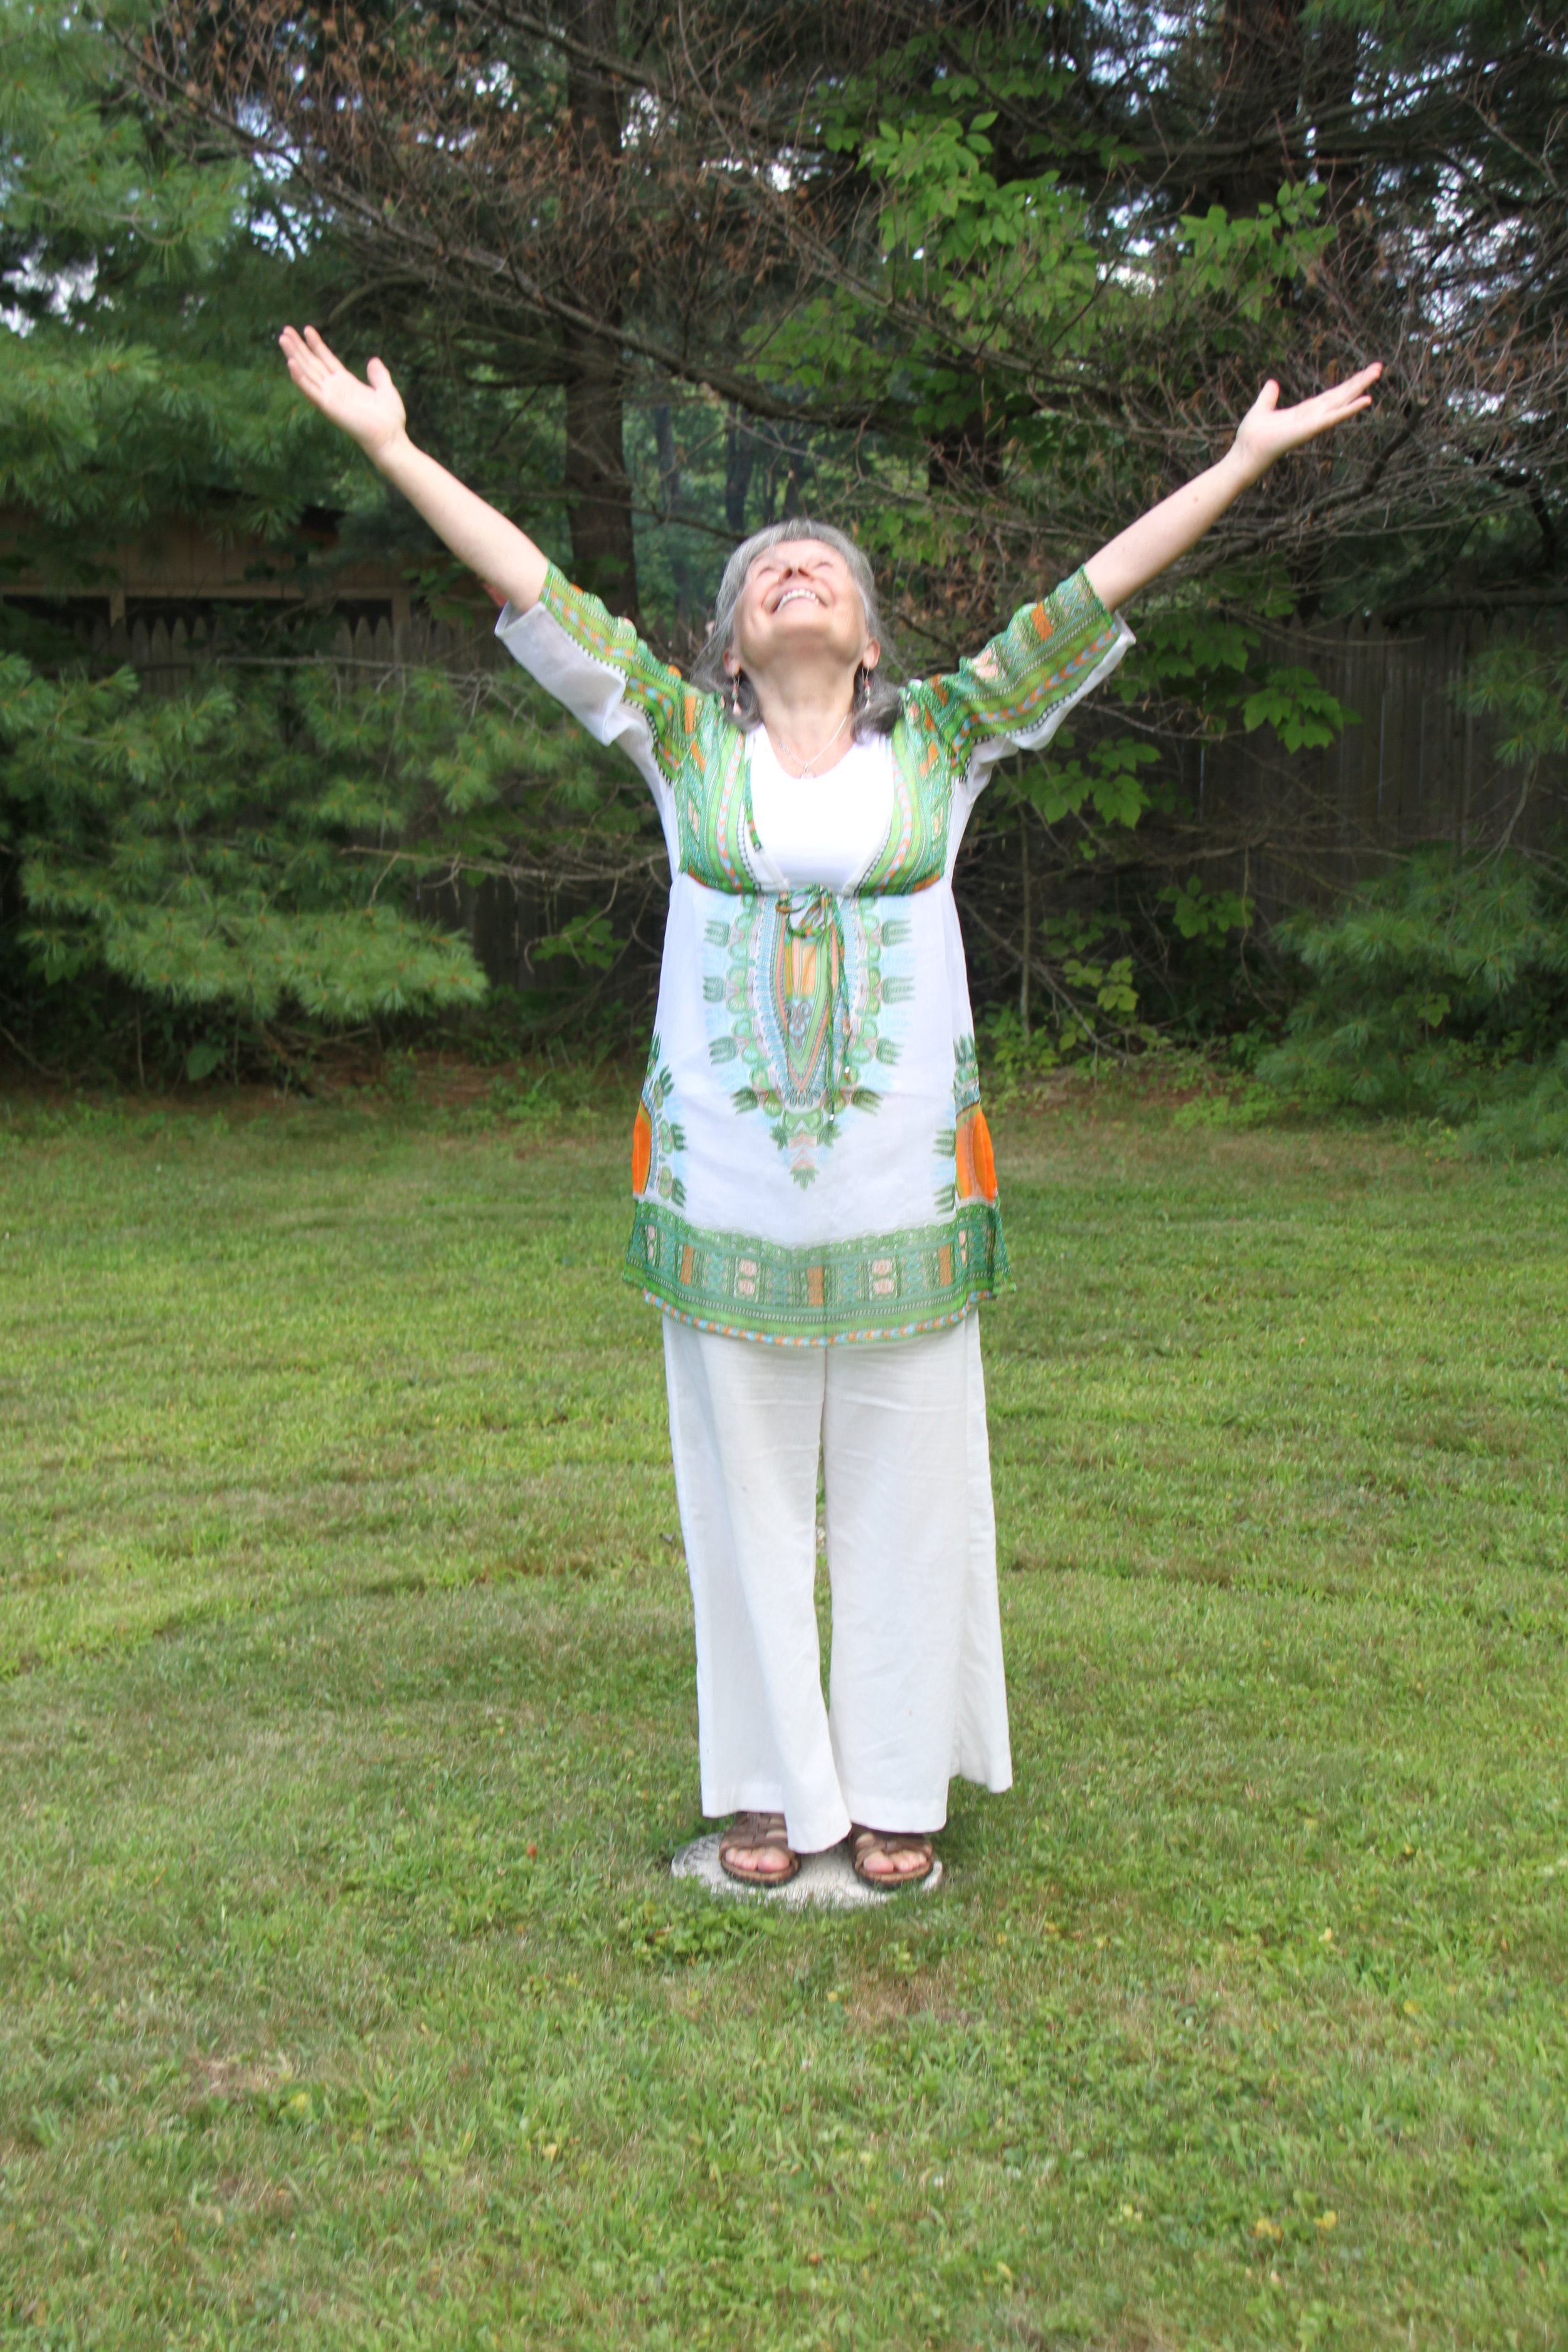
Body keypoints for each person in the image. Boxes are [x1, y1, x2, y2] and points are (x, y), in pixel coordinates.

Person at [280, 323, 1380, 1888]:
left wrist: (1238, 463)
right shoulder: (679, 740)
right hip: (723, 1196)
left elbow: (1090, 597)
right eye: (765, 571)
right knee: (736, 1506)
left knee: (902, 1494)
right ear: (730, 645)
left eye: (824, 567)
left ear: (868, 644)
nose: (795, 572)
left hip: (903, 1203)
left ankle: (890, 1796)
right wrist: (395, 452)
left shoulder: (941, 739)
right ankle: (763, 1786)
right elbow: (533, 588)